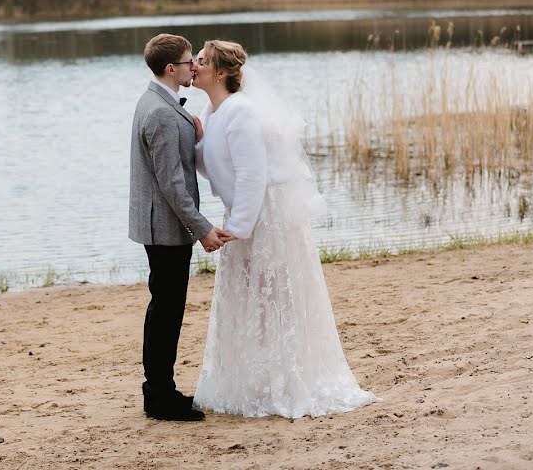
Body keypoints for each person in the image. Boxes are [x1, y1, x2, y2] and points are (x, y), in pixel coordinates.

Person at [190, 39, 377, 419]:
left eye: (203, 60)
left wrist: (239, 226)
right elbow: (216, 165)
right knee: (248, 299)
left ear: (222, 73)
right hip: (243, 213)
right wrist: (196, 141)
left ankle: (286, 379)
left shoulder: (240, 110)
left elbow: (252, 173)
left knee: (274, 296)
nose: (194, 64)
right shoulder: (212, 111)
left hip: (264, 215)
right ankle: (255, 377)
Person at [128, 33, 234, 422]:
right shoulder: (159, 113)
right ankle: (159, 396)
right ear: (171, 68)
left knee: (165, 307)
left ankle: (160, 390)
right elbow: (172, 183)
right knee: (166, 310)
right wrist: (203, 228)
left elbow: (169, 162)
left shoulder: (159, 103)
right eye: (190, 62)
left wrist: (193, 129)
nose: (195, 67)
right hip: (165, 228)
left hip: (159, 224)